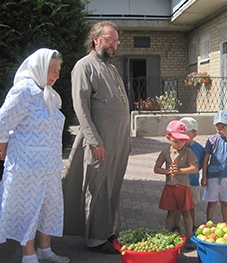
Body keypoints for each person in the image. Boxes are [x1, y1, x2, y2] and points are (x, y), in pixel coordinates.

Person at [62, 21, 131, 254]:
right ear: (96, 39)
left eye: (116, 41)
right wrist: (94, 140)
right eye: (109, 40)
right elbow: (80, 108)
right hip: (100, 138)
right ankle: (94, 238)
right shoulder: (84, 66)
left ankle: (108, 230)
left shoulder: (111, 67)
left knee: (113, 185)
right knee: (97, 186)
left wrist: (126, 138)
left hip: (118, 139)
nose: (113, 45)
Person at [0, 48, 69, 263]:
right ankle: (28, 255)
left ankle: (44, 250)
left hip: (49, 165)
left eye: (58, 70)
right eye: (52, 70)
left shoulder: (47, 93)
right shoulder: (24, 90)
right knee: (28, 209)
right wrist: (2, 151)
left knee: (49, 207)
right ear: (39, 68)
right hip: (26, 167)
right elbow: (3, 123)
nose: (57, 75)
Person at [154, 120, 198, 250]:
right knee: (171, 213)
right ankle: (167, 235)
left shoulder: (188, 152)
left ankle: (189, 237)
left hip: (184, 188)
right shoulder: (165, 152)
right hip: (170, 187)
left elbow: (194, 168)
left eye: (183, 140)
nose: (180, 144)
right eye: (176, 141)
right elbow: (156, 168)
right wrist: (167, 171)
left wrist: (180, 171)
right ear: (169, 138)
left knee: (186, 213)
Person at [201, 110, 227, 223]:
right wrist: (204, 176)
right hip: (213, 176)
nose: (221, 130)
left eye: (224, 127)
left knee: (225, 202)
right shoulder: (212, 140)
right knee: (212, 202)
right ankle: (209, 223)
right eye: (218, 127)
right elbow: (206, 158)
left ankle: (226, 223)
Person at [172, 117, 204, 233]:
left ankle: (193, 225)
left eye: (186, 132)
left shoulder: (199, 148)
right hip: (178, 182)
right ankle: (176, 225)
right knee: (176, 206)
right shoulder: (178, 147)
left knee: (191, 206)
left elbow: (201, 163)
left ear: (194, 133)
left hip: (193, 182)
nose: (183, 135)